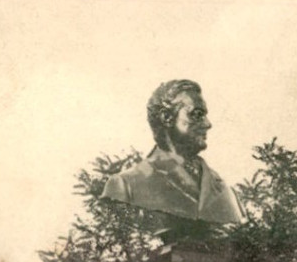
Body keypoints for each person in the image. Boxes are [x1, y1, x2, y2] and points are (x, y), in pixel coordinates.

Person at [101, 79, 244, 225]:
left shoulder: (226, 190)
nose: (208, 124)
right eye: (197, 114)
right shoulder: (126, 186)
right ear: (167, 118)